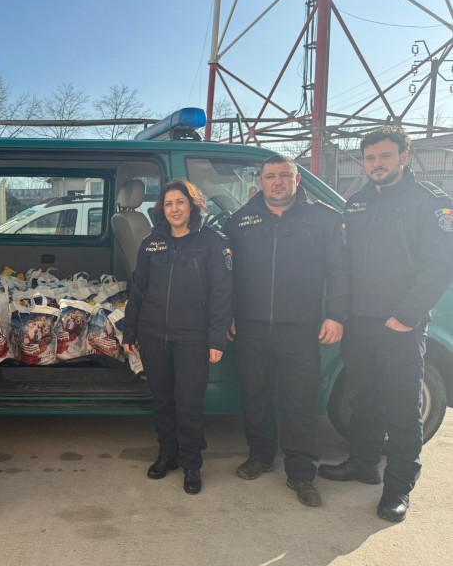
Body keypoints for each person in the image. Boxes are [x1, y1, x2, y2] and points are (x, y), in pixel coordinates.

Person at [318, 126, 453, 522]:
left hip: (400, 327)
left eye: (384, 157)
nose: (377, 164)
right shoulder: (357, 203)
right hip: (359, 324)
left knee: (402, 409)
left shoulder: (430, 203)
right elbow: (342, 267)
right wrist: (341, 313)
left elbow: (440, 266)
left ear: (403, 157)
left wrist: (406, 317)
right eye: (371, 158)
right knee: (364, 400)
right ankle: (363, 463)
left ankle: (398, 487)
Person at [224, 155, 349, 507]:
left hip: (301, 329)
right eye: (270, 176)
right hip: (250, 328)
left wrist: (336, 314)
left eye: (284, 176)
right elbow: (226, 275)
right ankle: (261, 456)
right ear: (260, 181)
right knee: (256, 396)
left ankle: (301, 472)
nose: (277, 182)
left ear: (297, 180)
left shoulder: (324, 219)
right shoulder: (239, 221)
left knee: (300, 402)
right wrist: (227, 314)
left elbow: (340, 273)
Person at [123, 179, 232, 494]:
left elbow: (221, 294)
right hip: (153, 334)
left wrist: (216, 339)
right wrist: (130, 328)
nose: (174, 209)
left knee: (188, 402)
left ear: (192, 204)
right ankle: (166, 455)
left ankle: (192, 463)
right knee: (162, 400)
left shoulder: (211, 242)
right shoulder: (151, 242)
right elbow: (138, 290)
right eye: (168, 204)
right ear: (162, 209)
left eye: (180, 202)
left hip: (193, 337)